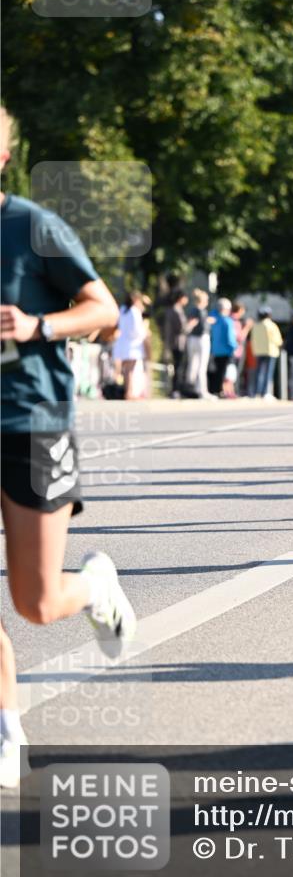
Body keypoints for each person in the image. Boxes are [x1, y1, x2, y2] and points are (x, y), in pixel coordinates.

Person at [0, 107, 136, 788]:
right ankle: (7, 728)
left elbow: (103, 309)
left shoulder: (32, 226)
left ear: (3, 155)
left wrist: (37, 325)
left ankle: (95, 587)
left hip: (33, 422)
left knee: (36, 601)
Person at [112, 290, 148, 400]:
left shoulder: (123, 310)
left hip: (123, 343)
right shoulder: (134, 311)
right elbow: (137, 330)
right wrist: (144, 332)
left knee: (126, 370)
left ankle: (127, 390)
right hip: (132, 344)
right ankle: (129, 392)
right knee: (130, 370)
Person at [250, 306, 283, 399]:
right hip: (270, 351)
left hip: (258, 351)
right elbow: (278, 340)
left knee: (259, 372)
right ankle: (265, 393)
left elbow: (253, 339)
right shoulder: (271, 325)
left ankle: (256, 392)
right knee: (268, 373)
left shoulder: (256, 326)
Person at [163, 289, 188, 397]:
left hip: (173, 342)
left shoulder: (171, 310)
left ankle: (175, 389)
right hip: (178, 342)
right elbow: (181, 328)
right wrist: (190, 325)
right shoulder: (176, 310)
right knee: (178, 367)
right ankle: (175, 389)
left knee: (176, 366)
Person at [209, 297, 237, 397]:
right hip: (226, 351)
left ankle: (215, 390)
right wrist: (234, 347)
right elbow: (230, 338)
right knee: (224, 373)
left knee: (216, 372)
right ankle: (222, 391)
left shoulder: (213, 318)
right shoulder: (227, 321)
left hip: (215, 350)